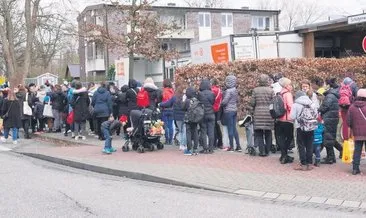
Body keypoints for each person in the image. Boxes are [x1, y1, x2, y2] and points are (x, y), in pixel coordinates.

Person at [290, 91, 317, 171]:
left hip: (300, 127)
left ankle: (303, 163)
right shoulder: (311, 103)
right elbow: (316, 115)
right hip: (311, 127)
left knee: (301, 145)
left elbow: (292, 116)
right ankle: (310, 163)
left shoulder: (295, 105)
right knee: (310, 144)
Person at [318, 78, 342, 164]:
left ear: (328, 85)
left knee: (327, 137)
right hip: (332, 118)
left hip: (329, 119)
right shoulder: (332, 94)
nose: (323, 86)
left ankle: (331, 158)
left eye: (324, 84)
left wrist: (319, 108)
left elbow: (325, 107)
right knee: (329, 137)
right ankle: (334, 154)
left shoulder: (330, 96)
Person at [250, 74, 274, 157]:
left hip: (258, 113)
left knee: (259, 133)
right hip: (268, 114)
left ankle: (262, 151)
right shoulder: (271, 90)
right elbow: (273, 102)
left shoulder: (255, 90)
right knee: (268, 132)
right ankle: (267, 150)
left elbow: (252, 103)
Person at [347, 89, 366, 175]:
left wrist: (353, 127)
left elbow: (348, 121)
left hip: (357, 133)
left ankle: (355, 169)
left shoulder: (351, 107)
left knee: (357, 150)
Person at [276, 78, 294, 164]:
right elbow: (290, 106)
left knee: (281, 138)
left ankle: (284, 155)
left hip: (279, 119)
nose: (291, 86)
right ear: (286, 86)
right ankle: (284, 155)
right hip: (287, 119)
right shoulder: (288, 94)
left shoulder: (279, 93)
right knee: (289, 137)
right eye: (290, 84)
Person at [221, 75, 242, 152]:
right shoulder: (235, 90)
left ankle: (231, 146)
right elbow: (237, 100)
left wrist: (221, 103)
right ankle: (238, 146)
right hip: (234, 110)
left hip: (228, 111)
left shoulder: (228, 91)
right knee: (234, 128)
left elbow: (225, 102)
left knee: (230, 128)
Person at [198, 79, 215, 154]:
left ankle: (205, 148)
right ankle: (211, 148)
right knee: (211, 131)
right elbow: (212, 102)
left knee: (203, 131)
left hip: (203, 114)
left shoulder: (199, 94)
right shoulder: (212, 94)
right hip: (211, 114)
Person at [339, 77, 358, 142]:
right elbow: (357, 96)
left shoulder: (341, 86)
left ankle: (345, 139)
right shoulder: (354, 85)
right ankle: (352, 138)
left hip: (342, 107)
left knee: (345, 122)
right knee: (353, 123)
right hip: (351, 107)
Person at [183, 87, 199, 155]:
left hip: (188, 119)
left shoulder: (187, 101)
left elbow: (183, 108)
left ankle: (189, 149)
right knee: (195, 133)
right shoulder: (197, 100)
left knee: (188, 133)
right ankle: (195, 149)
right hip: (195, 119)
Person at [160, 79, 175, 145]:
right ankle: (171, 140)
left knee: (165, 126)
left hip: (165, 109)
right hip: (172, 109)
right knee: (171, 125)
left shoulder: (164, 91)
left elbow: (163, 100)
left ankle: (167, 140)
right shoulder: (173, 91)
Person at [211, 78, 223, 149]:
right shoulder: (219, 90)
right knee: (217, 126)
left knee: (213, 127)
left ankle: (214, 143)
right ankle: (220, 143)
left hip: (212, 109)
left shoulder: (212, 90)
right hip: (218, 109)